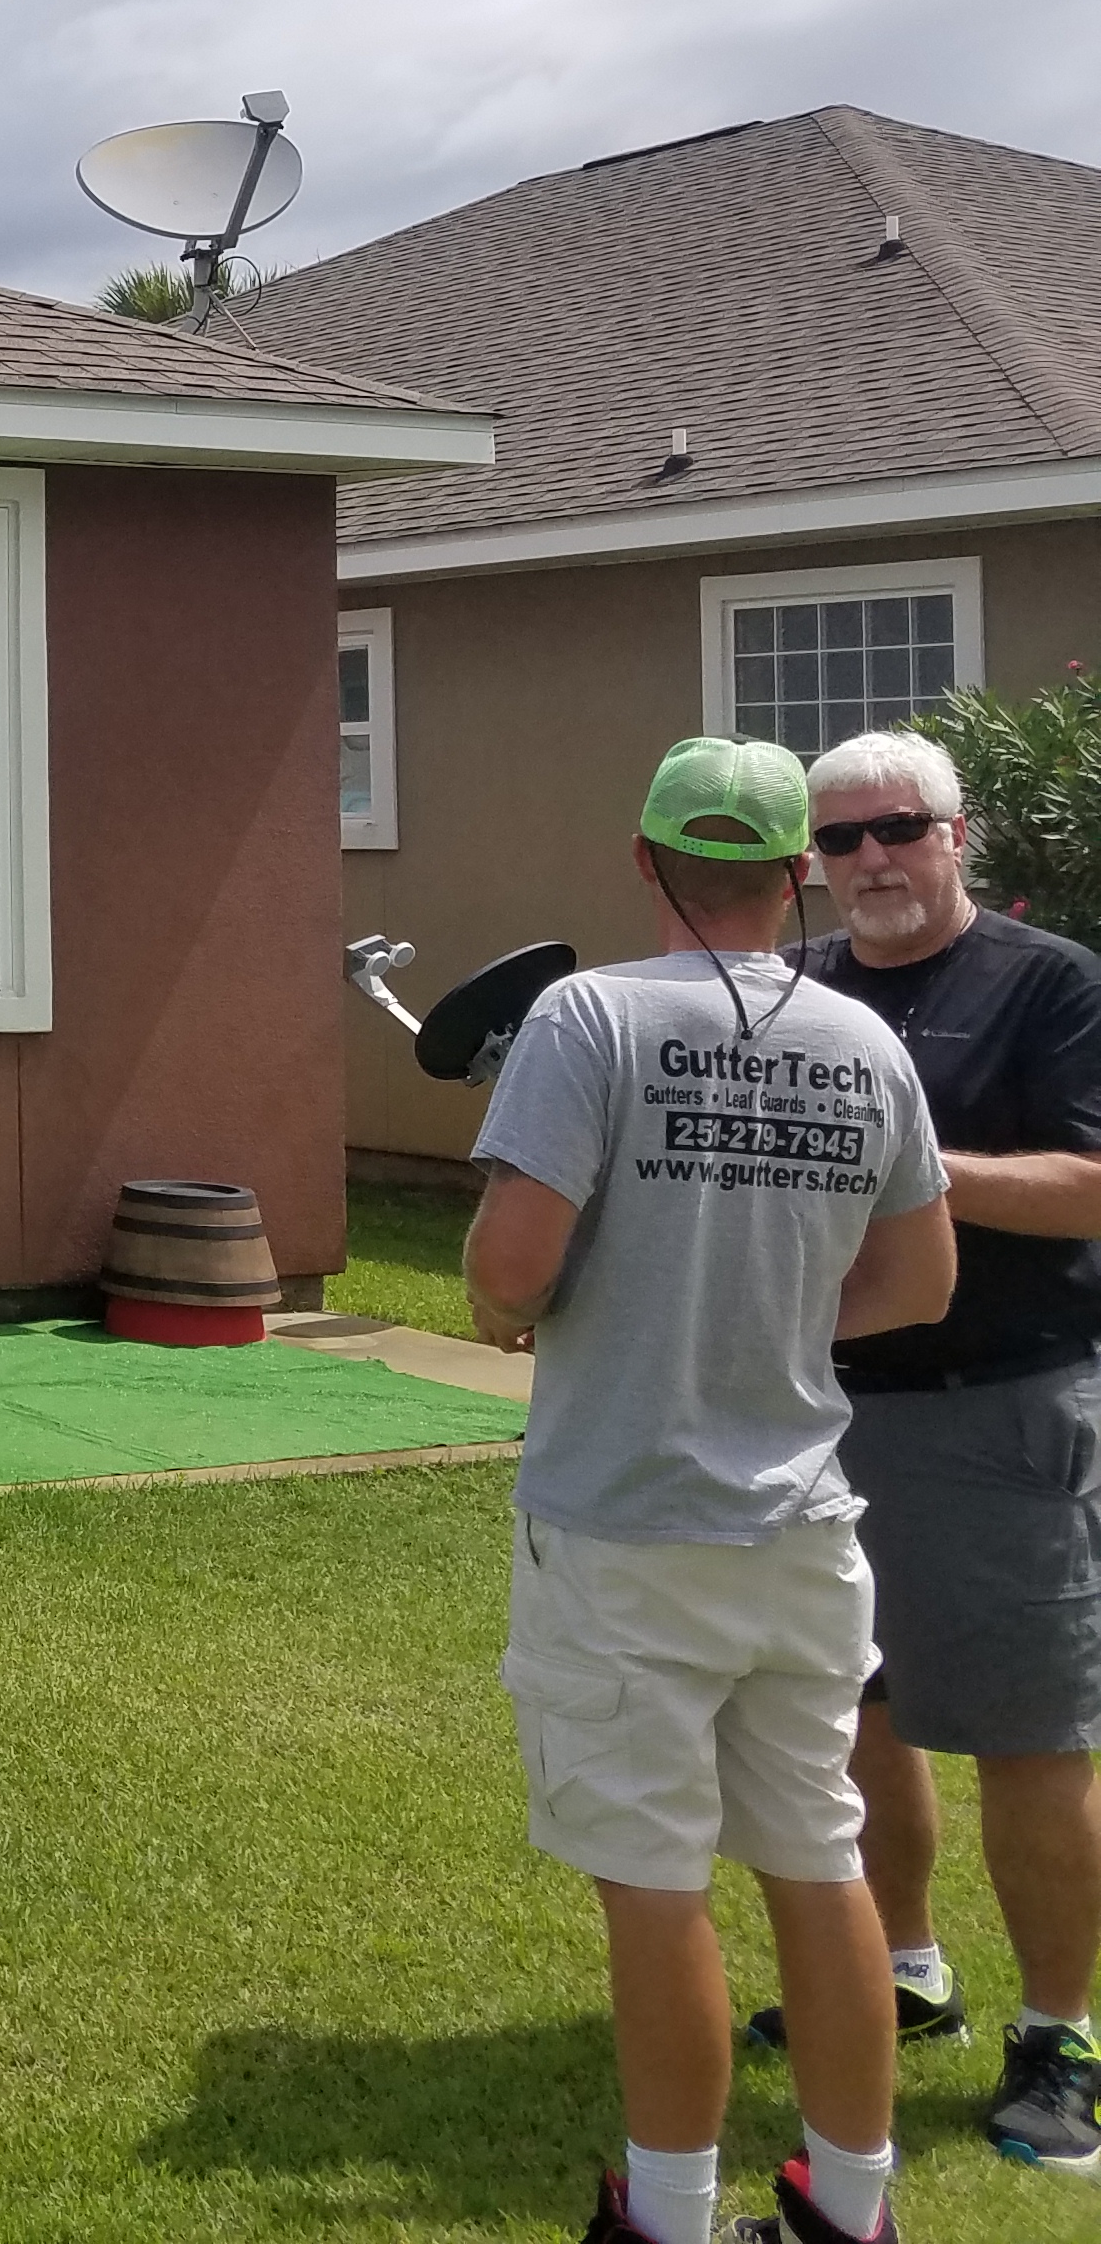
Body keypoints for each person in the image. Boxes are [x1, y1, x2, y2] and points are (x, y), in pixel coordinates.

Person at [467, 735, 956, 2244]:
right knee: (820, 1861)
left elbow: (502, 1282)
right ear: (802, 869)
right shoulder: (869, 1045)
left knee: (653, 1885)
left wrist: (588, 1297)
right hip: (806, 1531)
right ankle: (852, 2210)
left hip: (624, 1532)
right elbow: (920, 1283)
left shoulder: (587, 1015)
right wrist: (763, 1317)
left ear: (644, 860)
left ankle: (670, 2219)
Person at [737, 724, 1101, 2174]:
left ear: (962, 838)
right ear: (808, 868)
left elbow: (1089, 1187)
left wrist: (912, 1164)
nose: (873, 859)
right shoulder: (796, 991)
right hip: (818, 1412)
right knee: (851, 1712)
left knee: (1028, 1734)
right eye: (839, 841)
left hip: (999, 1404)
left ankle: (1058, 2038)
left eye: (901, 828)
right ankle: (903, 1967)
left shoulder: (1051, 987)